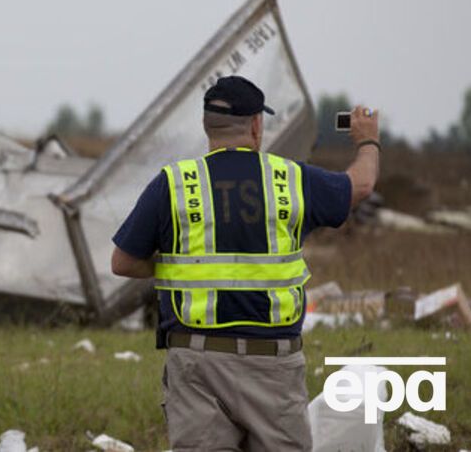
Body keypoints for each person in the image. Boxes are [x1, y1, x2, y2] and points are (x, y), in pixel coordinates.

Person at [110, 75, 380, 451]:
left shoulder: (171, 184)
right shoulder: (289, 178)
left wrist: (178, 269)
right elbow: (361, 185)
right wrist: (367, 140)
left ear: (207, 126)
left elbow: (123, 262)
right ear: (256, 125)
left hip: (196, 361)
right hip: (272, 365)